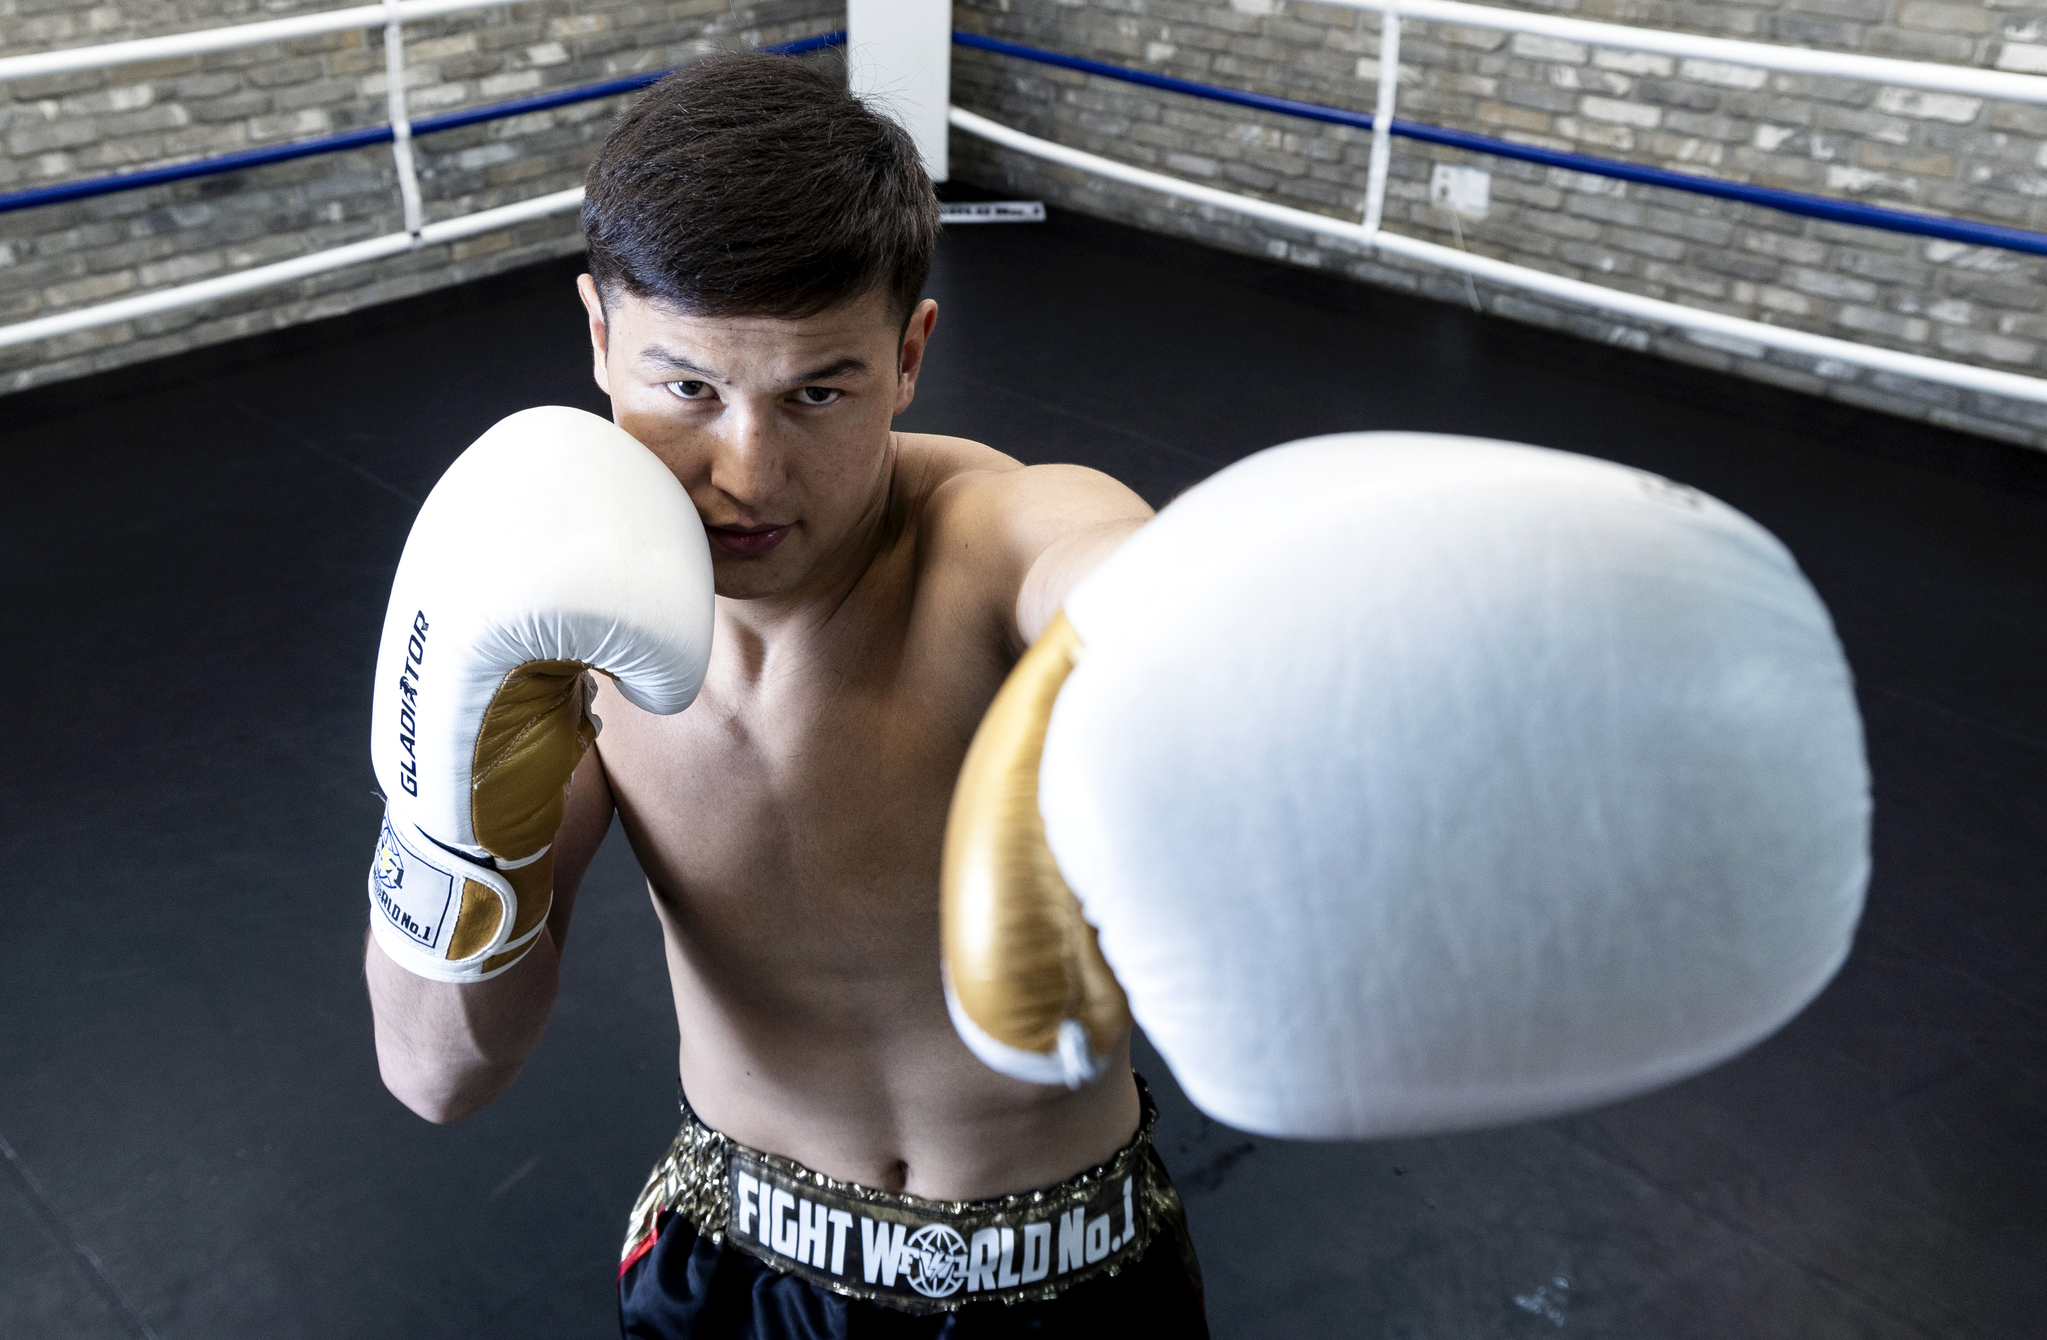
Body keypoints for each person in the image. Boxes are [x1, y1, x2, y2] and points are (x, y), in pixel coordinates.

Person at [361, 51, 1209, 1336]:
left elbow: (1123, 573)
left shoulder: (990, 541)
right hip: (733, 1261)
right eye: (687, 387)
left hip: (1071, 1275)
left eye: (819, 391)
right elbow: (434, 1076)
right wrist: (446, 818)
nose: (746, 470)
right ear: (599, 335)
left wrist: (1182, 626)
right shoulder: (563, 630)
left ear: (910, 351)